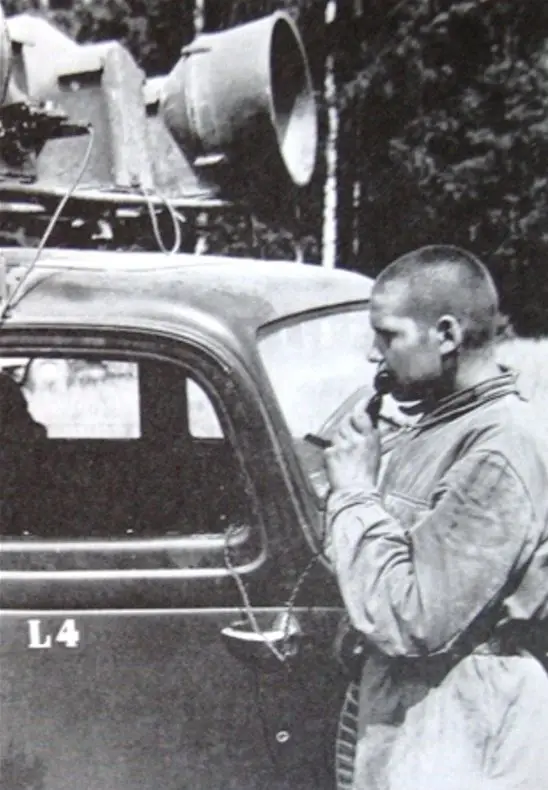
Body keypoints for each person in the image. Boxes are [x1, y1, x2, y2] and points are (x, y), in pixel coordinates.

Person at [324, 245, 548, 790]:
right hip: (416, 719)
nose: (373, 354)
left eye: (388, 335)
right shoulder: (441, 425)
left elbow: (415, 619)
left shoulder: (500, 448)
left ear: (446, 335)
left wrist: (354, 492)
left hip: (464, 730)